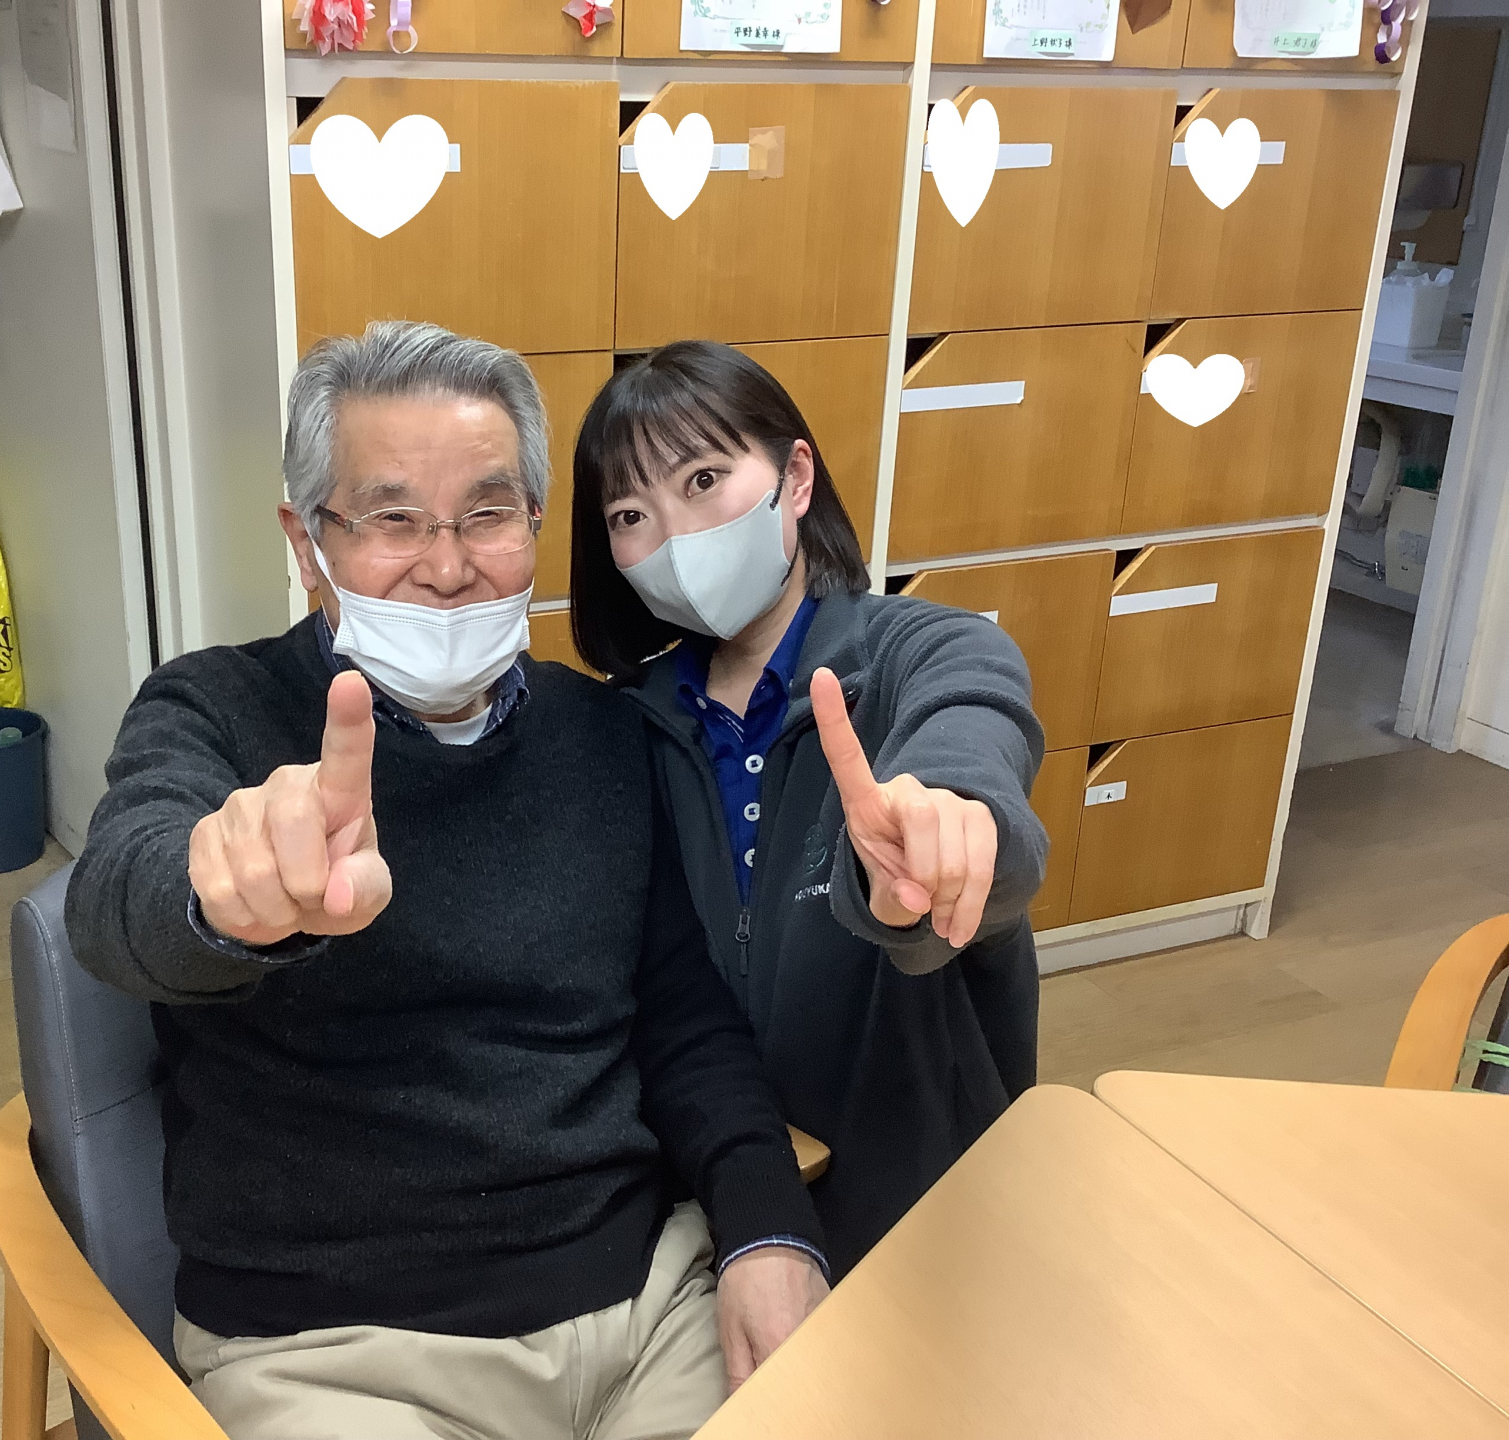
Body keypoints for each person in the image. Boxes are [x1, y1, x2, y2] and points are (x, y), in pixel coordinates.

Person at [64, 321, 829, 1440]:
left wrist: (768, 1227)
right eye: (391, 520)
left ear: (533, 523)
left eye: (486, 513)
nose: (448, 565)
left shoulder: (604, 735)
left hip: (646, 1307)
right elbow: (114, 901)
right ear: (307, 541)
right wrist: (226, 901)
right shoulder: (215, 710)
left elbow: (684, 1019)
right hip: (338, 1354)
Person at [566, 340, 1048, 1275]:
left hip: (925, 1212)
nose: (676, 538)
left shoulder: (929, 653)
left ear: (795, 477)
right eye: (631, 515)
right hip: (713, 1212)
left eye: (704, 480)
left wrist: (942, 835)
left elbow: (974, 754)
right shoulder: (622, 727)